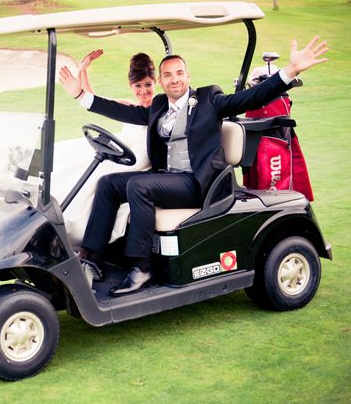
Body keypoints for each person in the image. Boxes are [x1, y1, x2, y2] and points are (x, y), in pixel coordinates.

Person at [59, 36, 329, 296]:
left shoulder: (209, 100)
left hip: (200, 184)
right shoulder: (159, 105)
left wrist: (290, 70)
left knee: (138, 185)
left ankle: (141, 266)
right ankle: (92, 258)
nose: (174, 79)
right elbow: (124, 112)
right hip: (169, 180)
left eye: (179, 73)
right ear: (161, 81)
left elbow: (251, 98)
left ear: (187, 76)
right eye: (168, 75)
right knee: (109, 184)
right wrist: (81, 96)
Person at [51, 50, 156, 247]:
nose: (143, 91)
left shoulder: (158, 109)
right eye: (138, 86)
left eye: (148, 85)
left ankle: (77, 229)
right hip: (125, 155)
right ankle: (52, 209)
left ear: (155, 82)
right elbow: (96, 101)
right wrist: (83, 71)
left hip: (139, 163)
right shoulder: (130, 106)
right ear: (131, 86)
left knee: (99, 173)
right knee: (71, 152)